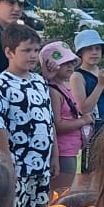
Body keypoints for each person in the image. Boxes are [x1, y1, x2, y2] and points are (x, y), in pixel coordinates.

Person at [0, 23, 53, 207]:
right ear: (9, 52)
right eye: (26, 51)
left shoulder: (38, 81)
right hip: (18, 164)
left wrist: (53, 156)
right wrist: (5, 160)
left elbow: (48, 121)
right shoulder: (1, 84)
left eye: (36, 50)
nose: (33, 56)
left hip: (41, 163)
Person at [39, 41, 86, 196]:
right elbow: (56, 124)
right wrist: (83, 121)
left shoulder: (63, 88)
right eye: (64, 63)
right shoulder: (53, 91)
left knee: (64, 192)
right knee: (59, 195)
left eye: (71, 62)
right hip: (62, 151)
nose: (70, 67)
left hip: (70, 150)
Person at [70, 28, 104, 179]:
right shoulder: (78, 76)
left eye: (97, 49)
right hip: (91, 130)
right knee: (90, 170)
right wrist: (100, 85)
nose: (94, 52)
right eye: (89, 49)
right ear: (81, 53)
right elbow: (83, 108)